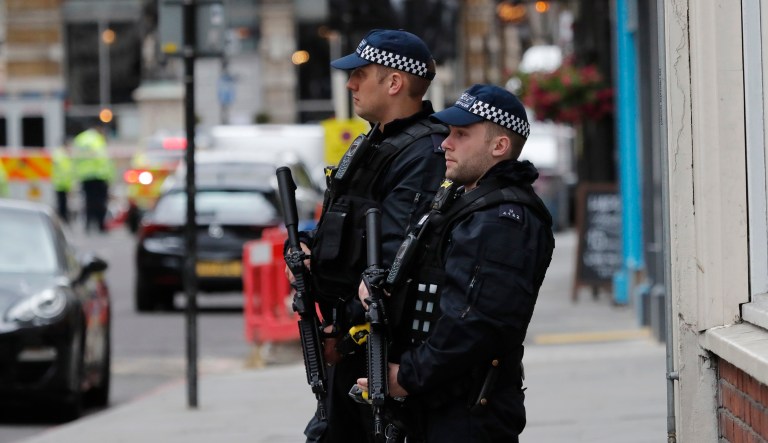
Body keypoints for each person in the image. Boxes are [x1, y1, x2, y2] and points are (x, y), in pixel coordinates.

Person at [357, 84, 556, 442]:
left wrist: (407, 377)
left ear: (499, 146)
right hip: (439, 403)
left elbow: (476, 322)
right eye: (449, 132)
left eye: (462, 134)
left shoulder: (501, 220)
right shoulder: (463, 199)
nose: (446, 143)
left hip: (466, 413)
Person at [286, 29, 448, 443]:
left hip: (378, 348)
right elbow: (343, 225)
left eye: (360, 73)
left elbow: (393, 262)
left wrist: (344, 337)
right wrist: (307, 249)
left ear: (394, 83)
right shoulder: (371, 144)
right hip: (346, 342)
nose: (350, 83)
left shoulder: (423, 152)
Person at [72, 125, 114, 233]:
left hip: (85, 176)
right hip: (99, 176)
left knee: (88, 202)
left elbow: (75, 159)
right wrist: (109, 177)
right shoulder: (98, 140)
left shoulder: (80, 139)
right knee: (100, 202)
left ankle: (88, 225)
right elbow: (104, 159)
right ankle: (100, 225)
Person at [51, 141, 74, 222]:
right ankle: (62, 217)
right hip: (60, 183)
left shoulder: (63, 154)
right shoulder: (60, 154)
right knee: (62, 202)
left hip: (64, 183)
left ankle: (63, 217)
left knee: (63, 202)